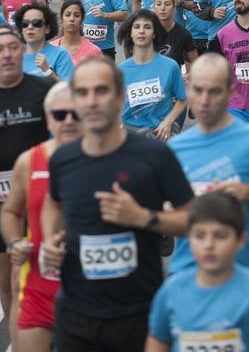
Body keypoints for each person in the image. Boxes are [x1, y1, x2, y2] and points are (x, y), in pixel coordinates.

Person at [40, 56, 194, 352]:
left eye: (102, 91)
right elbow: (53, 204)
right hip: (76, 313)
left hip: (138, 314)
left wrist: (143, 218)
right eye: (83, 93)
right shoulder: (62, 159)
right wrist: (50, 240)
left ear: (120, 97)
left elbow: (193, 222)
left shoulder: (154, 155)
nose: (92, 101)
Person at [167, 53, 249, 277]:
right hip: (186, 278)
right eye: (198, 90)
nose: (205, 100)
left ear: (230, 92)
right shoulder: (173, 150)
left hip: (242, 280)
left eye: (214, 91)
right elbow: (163, 217)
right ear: (188, 89)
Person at [146, 192, 249, 352]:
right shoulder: (170, 292)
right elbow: (157, 345)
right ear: (188, 238)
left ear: (241, 240)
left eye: (220, 235)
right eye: (200, 235)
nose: (209, 244)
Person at [1, 81, 83, 352]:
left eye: (76, 114)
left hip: (91, 292)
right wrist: (14, 243)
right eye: (60, 115)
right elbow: (11, 211)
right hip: (40, 287)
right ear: (48, 119)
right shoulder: (31, 161)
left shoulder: (108, 159)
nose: (68, 121)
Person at [0, 26, 51, 329]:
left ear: (23, 51)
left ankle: (42, 333)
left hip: (39, 199)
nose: (6, 54)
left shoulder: (43, 90)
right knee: (6, 278)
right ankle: (21, 336)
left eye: (12, 47)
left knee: (35, 272)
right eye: (0, 49)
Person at [118, 10, 187, 141]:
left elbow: (182, 99)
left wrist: (168, 122)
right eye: (137, 27)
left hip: (161, 135)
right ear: (131, 33)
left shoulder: (170, 66)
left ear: (154, 33)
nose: (142, 31)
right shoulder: (120, 70)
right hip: (131, 135)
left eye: (147, 27)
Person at [14, 3, 74, 82]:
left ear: (47, 28)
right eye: (25, 24)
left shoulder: (61, 54)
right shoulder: (14, 56)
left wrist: (48, 72)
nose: (30, 27)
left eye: (36, 23)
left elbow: (70, 90)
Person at [152, 0, 196, 71]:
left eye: (167, 4)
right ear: (153, 7)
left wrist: (189, 76)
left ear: (174, 7)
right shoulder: (146, 32)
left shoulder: (184, 34)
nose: (162, 8)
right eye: (158, 4)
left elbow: (194, 63)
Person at [51, 0, 103, 64]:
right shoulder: (51, 48)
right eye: (68, 15)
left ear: (82, 19)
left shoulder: (94, 51)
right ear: (61, 19)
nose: (72, 19)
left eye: (77, 15)